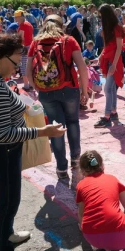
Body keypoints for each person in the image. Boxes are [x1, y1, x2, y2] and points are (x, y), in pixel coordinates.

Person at [0, 32, 67, 251]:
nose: (16, 69)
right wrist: (43, 132)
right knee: (7, 201)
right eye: (14, 63)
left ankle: (7, 234)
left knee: (8, 198)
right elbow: (3, 134)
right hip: (0, 149)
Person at [26, 14, 88, 180]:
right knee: (73, 122)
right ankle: (75, 159)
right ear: (62, 26)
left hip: (46, 92)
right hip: (69, 89)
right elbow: (82, 67)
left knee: (55, 128)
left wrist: (38, 88)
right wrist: (85, 90)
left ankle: (61, 168)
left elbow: (28, 72)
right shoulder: (68, 41)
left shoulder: (35, 42)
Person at [95, 5, 124, 128]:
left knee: (107, 89)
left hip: (114, 61)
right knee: (111, 88)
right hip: (108, 59)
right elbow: (107, 46)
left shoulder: (116, 27)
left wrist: (114, 65)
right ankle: (113, 112)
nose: (100, 18)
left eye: (101, 15)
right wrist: (100, 56)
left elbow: (119, 48)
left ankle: (107, 117)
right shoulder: (107, 28)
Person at [14, 10, 35, 90]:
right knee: (29, 66)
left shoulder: (23, 25)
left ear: (21, 17)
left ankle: (26, 85)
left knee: (24, 67)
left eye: (17, 17)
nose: (16, 19)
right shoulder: (28, 24)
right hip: (29, 46)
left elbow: (20, 37)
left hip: (25, 47)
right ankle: (30, 84)